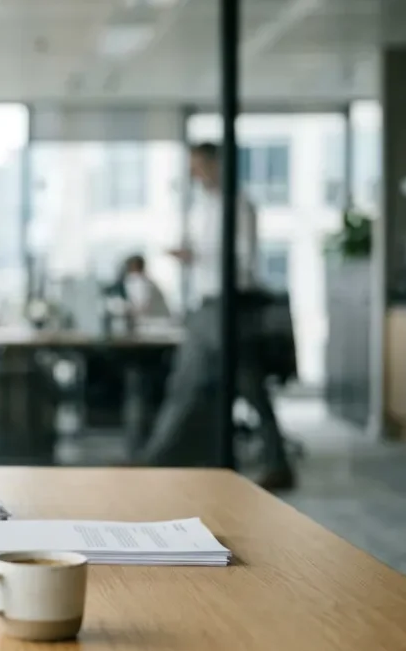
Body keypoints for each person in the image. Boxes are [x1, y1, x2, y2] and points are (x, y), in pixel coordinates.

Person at [139, 142, 294, 490]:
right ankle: (157, 461)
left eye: (199, 166)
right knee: (188, 386)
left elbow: (242, 262)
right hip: (204, 307)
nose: (195, 174)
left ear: (215, 164)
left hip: (230, 306)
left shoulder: (240, 206)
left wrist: (197, 254)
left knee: (248, 387)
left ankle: (276, 463)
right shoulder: (203, 206)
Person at [116, 254, 171, 320]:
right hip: (160, 320)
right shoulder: (147, 281)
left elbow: (140, 307)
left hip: (155, 322)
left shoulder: (137, 280)